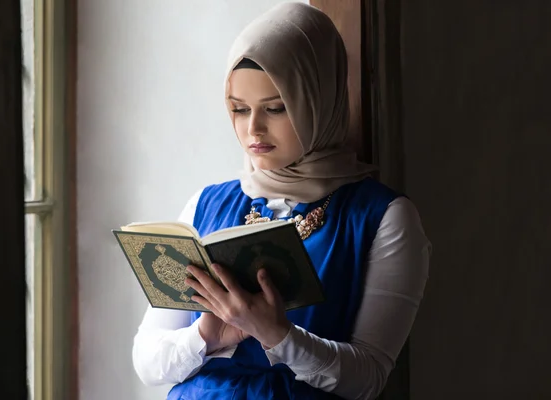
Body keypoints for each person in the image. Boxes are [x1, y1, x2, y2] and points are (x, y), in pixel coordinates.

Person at [132, 3, 431, 399]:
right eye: (238, 110)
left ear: (318, 100)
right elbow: (146, 361)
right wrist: (205, 336)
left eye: (275, 108)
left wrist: (278, 335)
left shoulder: (383, 217)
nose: (252, 128)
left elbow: (369, 377)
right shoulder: (206, 206)